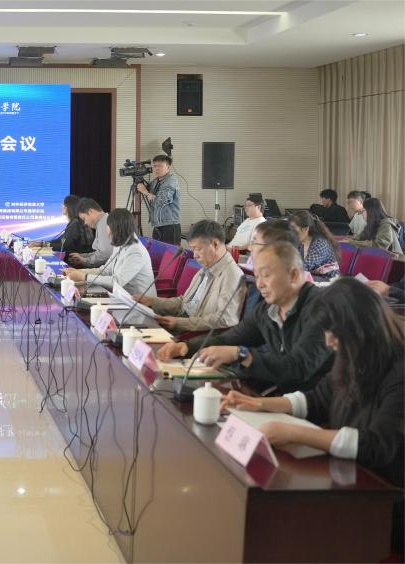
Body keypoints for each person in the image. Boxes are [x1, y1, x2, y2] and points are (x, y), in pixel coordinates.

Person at [222, 278, 403, 552]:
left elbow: (377, 446)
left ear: (359, 326)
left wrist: (296, 433)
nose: (329, 342)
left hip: (388, 503)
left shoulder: (398, 370)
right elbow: (318, 399)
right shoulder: (356, 351)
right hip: (351, 481)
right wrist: (259, 404)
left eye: (334, 332)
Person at [158, 241, 332, 393]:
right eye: (256, 276)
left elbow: (297, 368)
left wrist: (241, 355)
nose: (259, 284)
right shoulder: (268, 309)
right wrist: (186, 347)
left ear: (293, 275)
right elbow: (229, 339)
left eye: (266, 275)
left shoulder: (322, 308)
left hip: (318, 408)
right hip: (282, 398)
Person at [140, 220, 245, 332]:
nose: (194, 255)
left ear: (215, 244)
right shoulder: (205, 268)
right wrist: (152, 301)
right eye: (193, 249)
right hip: (183, 324)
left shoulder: (232, 275)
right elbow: (184, 303)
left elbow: (226, 319)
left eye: (198, 249)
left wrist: (179, 323)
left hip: (195, 334)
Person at [64, 208, 155, 297]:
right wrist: (78, 272)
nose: (106, 231)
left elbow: (117, 282)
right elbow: (105, 271)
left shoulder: (136, 252)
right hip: (122, 296)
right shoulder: (120, 244)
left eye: (107, 226)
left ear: (117, 228)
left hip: (138, 302)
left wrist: (84, 277)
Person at [136, 155, 181, 245]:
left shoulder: (171, 182)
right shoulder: (156, 181)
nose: (156, 168)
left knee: (170, 253)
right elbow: (148, 190)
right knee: (157, 251)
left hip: (170, 226)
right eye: (155, 166)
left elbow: (161, 201)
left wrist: (145, 192)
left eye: (160, 166)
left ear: (168, 167)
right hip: (158, 225)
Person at [289, 211, 341, 279]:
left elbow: (305, 266)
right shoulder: (299, 243)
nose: (291, 233)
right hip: (313, 278)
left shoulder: (320, 244)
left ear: (305, 229)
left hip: (328, 280)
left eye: (293, 229)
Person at [67, 198, 113, 268]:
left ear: (90, 211)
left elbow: (105, 254)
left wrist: (85, 260)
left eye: (84, 219)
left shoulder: (103, 224)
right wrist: (82, 256)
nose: (85, 223)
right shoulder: (103, 222)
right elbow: (100, 252)